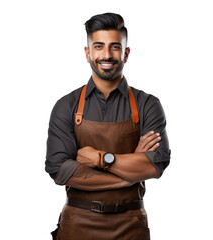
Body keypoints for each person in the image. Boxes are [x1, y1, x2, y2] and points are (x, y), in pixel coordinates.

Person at [45, 12, 171, 240]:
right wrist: (129, 173)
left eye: (115, 47)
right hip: (78, 225)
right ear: (88, 53)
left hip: (131, 226)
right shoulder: (66, 106)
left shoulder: (148, 105)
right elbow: (60, 169)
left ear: (126, 53)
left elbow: (155, 165)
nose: (107, 55)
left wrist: (100, 159)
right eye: (99, 46)